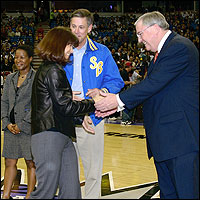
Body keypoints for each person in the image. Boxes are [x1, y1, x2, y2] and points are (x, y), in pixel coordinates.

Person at [95, 11, 199, 199]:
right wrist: (117, 106)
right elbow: (153, 91)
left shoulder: (179, 47)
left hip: (180, 141)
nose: (139, 40)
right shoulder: (164, 52)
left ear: (155, 28)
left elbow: (152, 84)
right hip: (166, 142)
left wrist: (117, 100)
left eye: (140, 34)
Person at [30, 26, 98, 199]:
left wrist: (79, 116)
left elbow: (59, 108)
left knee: (71, 193)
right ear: (58, 44)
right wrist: (92, 104)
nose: (71, 50)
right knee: (45, 192)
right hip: (48, 135)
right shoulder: (52, 70)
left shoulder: (52, 69)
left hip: (62, 134)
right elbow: (65, 106)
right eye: (69, 45)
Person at [63, 9, 124, 199]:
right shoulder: (60, 51)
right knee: (65, 174)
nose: (77, 31)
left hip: (92, 119)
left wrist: (102, 91)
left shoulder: (102, 52)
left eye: (81, 27)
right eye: (73, 26)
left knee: (93, 173)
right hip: (64, 119)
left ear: (89, 27)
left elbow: (116, 81)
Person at [1, 45, 36, 199]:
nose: (18, 60)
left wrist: (22, 124)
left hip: (28, 128)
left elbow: (37, 105)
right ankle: (5, 195)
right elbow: (4, 102)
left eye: (22, 57)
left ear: (30, 59)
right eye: (16, 57)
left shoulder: (37, 78)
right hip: (10, 128)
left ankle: (29, 195)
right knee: (9, 162)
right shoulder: (10, 78)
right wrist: (6, 122)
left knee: (31, 163)